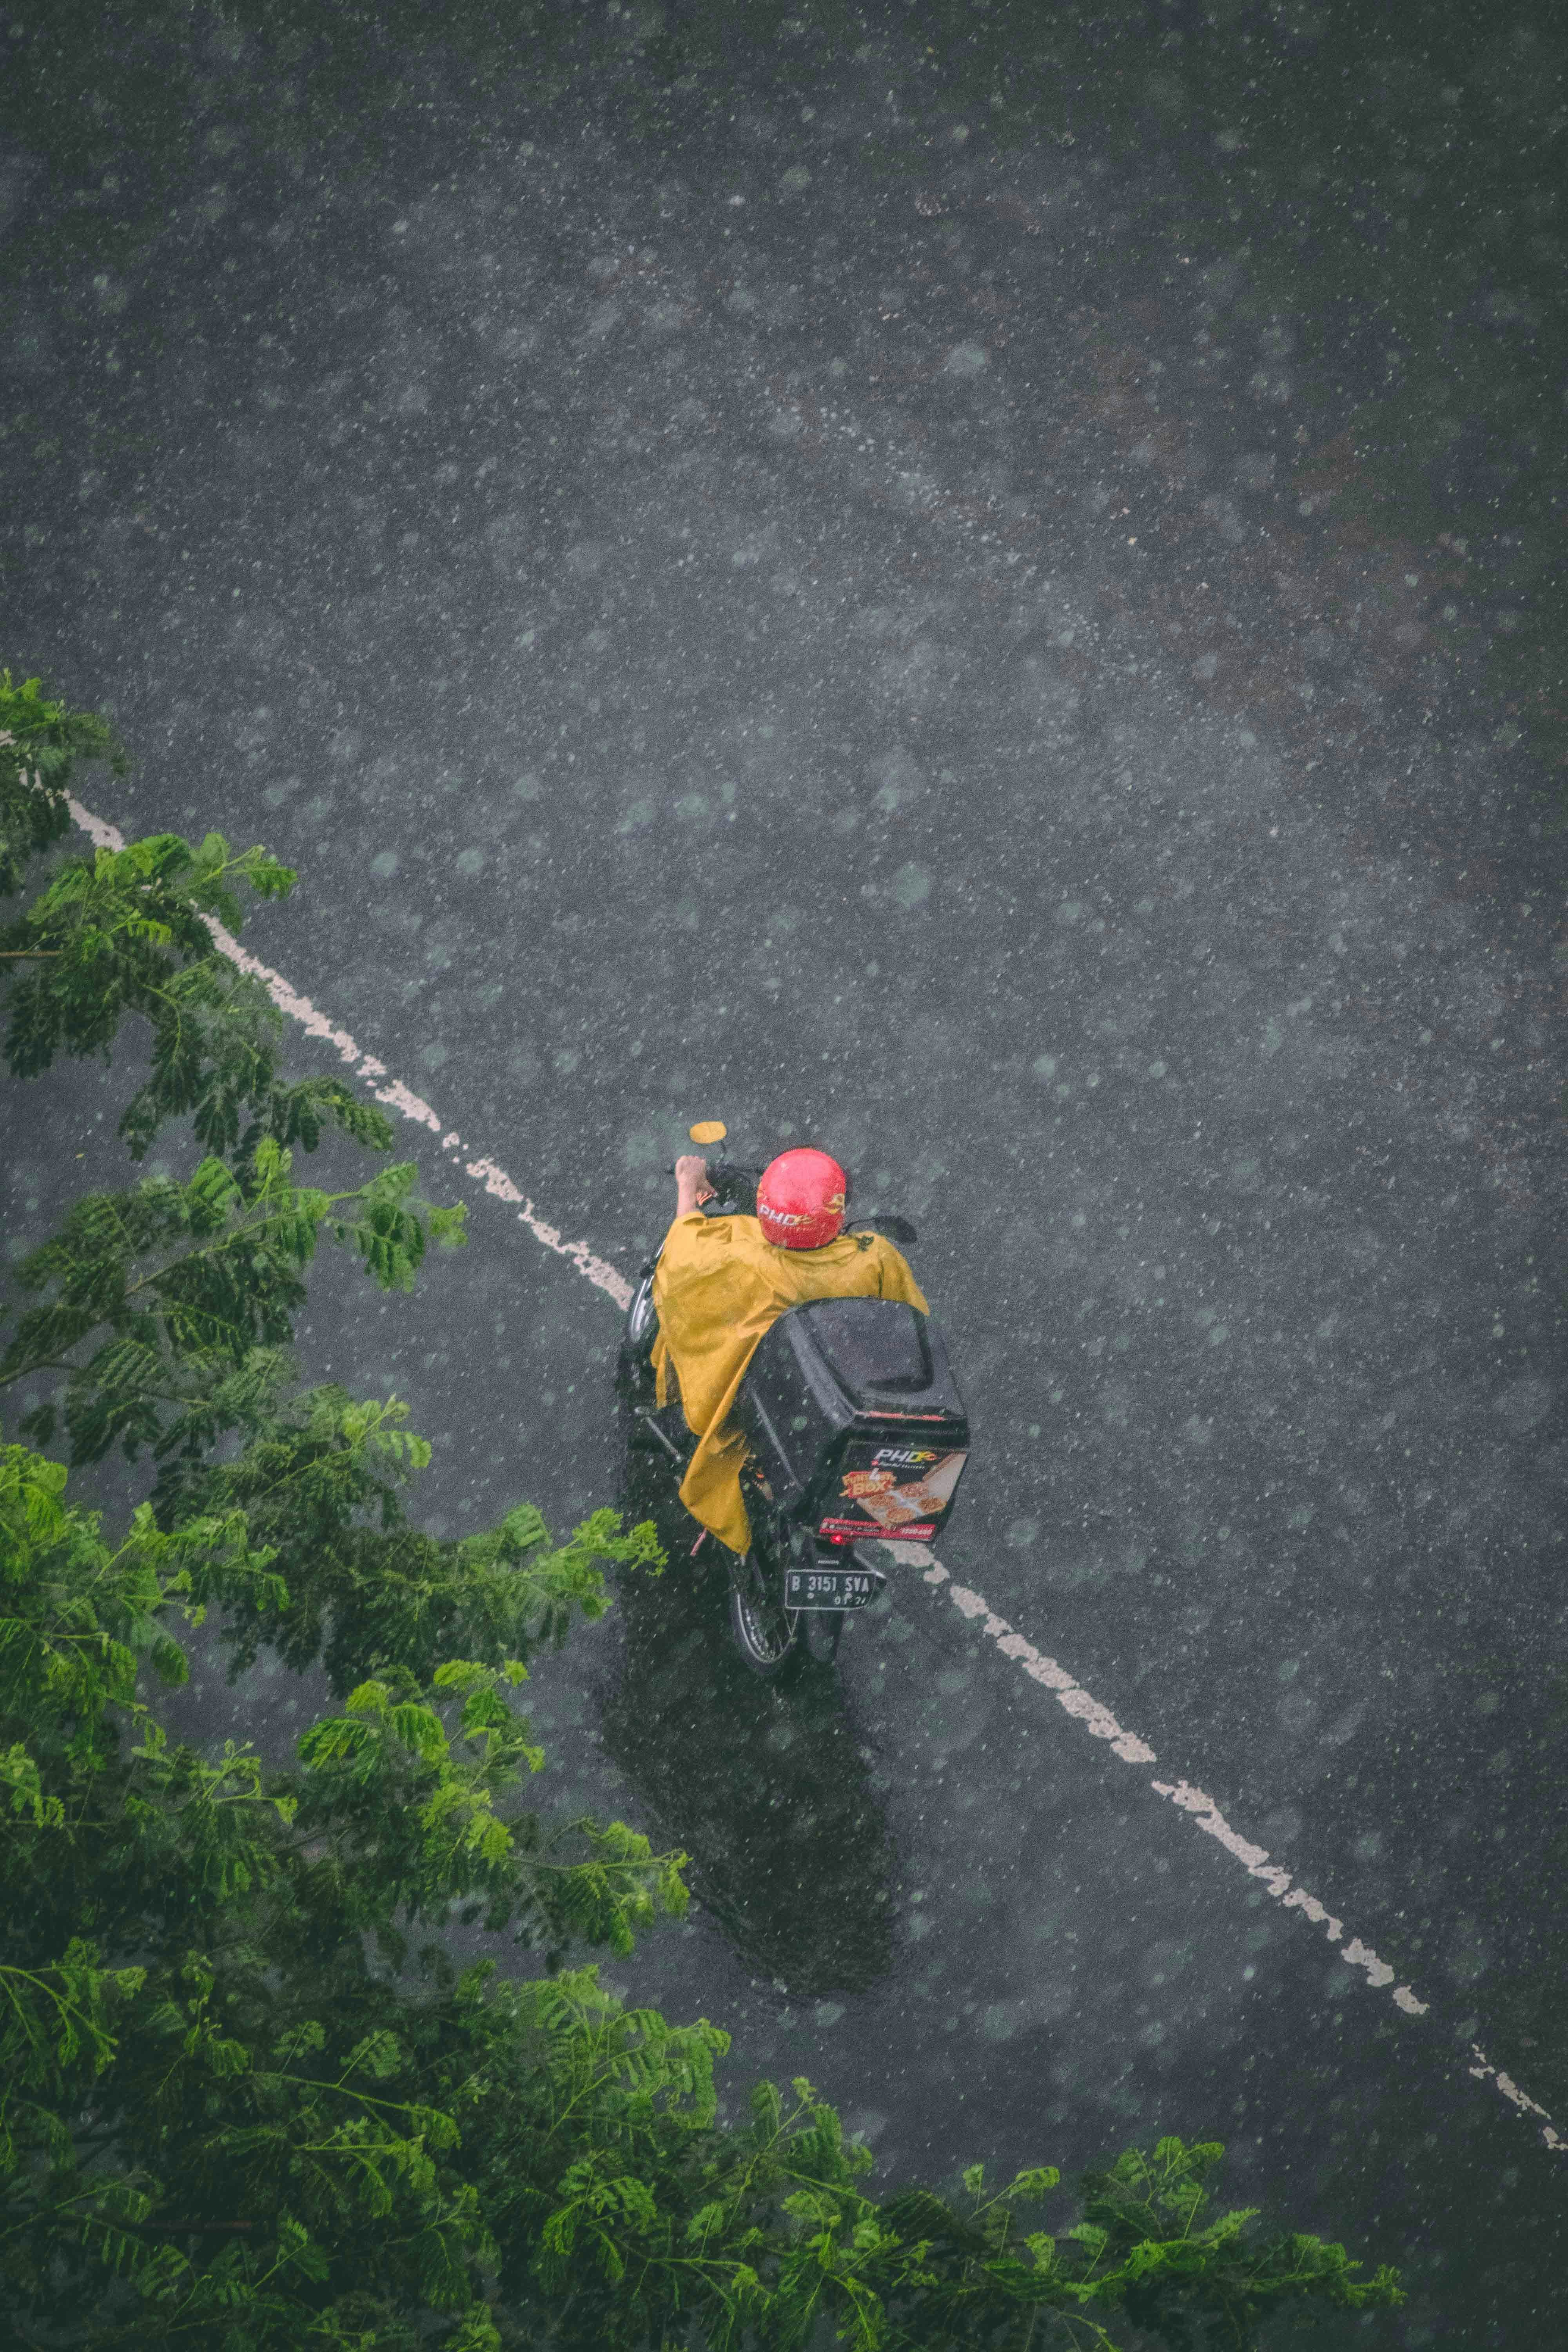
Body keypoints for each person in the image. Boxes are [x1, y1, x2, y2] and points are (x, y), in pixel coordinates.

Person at [650, 1145, 929, 1559]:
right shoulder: (874, 1258)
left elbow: (679, 1254)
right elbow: (912, 1322)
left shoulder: (734, 1256)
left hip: (764, 1400)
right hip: (842, 1400)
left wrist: (688, 1186)